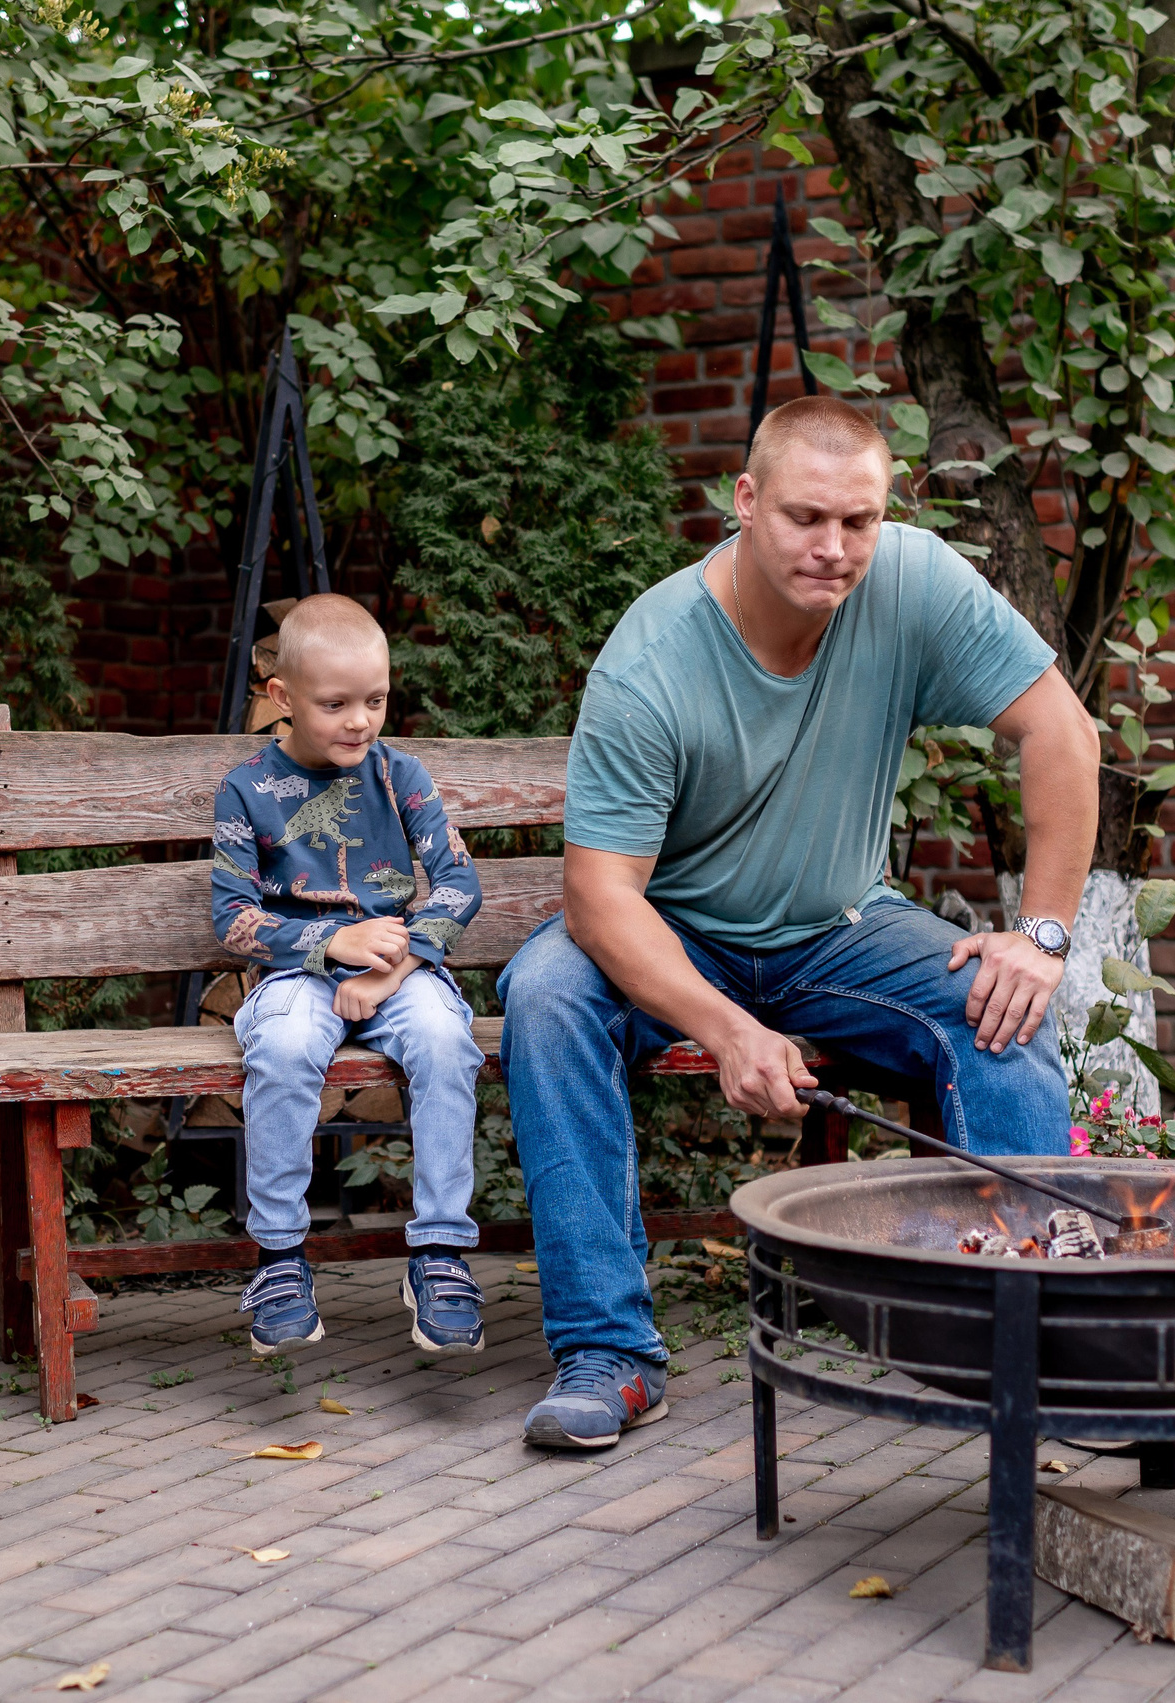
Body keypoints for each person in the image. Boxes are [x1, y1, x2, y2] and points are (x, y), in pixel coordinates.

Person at [501, 395, 1102, 1448]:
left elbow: (1061, 726)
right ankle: (608, 1352)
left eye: (858, 521)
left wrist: (1043, 934)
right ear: (745, 501)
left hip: (838, 927)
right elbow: (599, 898)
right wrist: (727, 1027)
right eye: (805, 517)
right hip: (674, 931)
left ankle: (1030, 1340)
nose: (834, 547)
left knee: (1000, 1003)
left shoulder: (911, 581)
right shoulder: (654, 658)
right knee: (547, 994)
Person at [210, 593, 491, 1357]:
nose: (360, 721)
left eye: (375, 699)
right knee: (282, 1047)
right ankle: (278, 1258)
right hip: (297, 972)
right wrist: (335, 941)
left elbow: (460, 884)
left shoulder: (401, 775)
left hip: (401, 967)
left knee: (444, 1038)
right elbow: (233, 919)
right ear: (283, 697)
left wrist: (392, 969)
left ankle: (439, 1252)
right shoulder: (247, 789)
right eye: (335, 704)